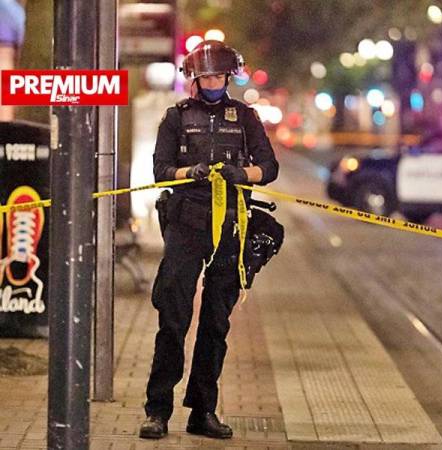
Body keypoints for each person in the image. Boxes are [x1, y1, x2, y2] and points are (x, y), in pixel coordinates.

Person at [139, 40, 279, 440]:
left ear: (228, 77)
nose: (213, 82)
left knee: (216, 323)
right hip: (186, 226)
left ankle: (203, 411)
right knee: (173, 318)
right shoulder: (176, 118)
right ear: (194, 80)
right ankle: (158, 411)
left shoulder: (247, 118)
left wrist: (244, 175)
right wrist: (190, 172)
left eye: (219, 75)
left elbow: (269, 167)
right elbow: (161, 170)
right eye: (206, 77)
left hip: (231, 228)